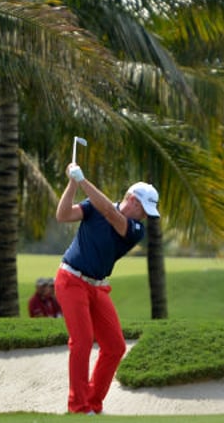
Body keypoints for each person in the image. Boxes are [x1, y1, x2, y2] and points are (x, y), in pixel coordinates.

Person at [53, 161, 159, 415]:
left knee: (115, 346)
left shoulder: (135, 230)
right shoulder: (93, 206)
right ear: (132, 199)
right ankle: (78, 407)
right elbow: (63, 215)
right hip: (71, 280)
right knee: (81, 341)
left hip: (98, 287)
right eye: (143, 209)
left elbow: (112, 215)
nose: (145, 215)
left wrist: (82, 181)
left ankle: (93, 402)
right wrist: (71, 183)